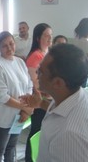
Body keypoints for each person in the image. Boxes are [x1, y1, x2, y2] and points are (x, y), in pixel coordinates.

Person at [20, 44, 88, 162]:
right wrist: (41, 104)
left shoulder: (68, 137)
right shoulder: (79, 94)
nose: (36, 75)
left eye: (40, 72)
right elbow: (62, 112)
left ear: (58, 83)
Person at [0, 31, 33, 162]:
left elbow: (29, 84)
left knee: (11, 146)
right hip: (4, 117)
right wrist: (26, 108)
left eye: (11, 44)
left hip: (19, 115)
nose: (9, 48)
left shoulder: (20, 62)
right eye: (4, 46)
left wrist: (25, 111)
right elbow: (2, 96)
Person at [25, 23, 52, 162]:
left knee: (42, 132)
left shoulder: (46, 53)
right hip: (39, 99)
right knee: (36, 131)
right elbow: (36, 83)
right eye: (46, 35)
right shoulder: (36, 56)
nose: (49, 38)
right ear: (37, 38)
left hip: (48, 98)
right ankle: (29, 158)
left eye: (50, 35)